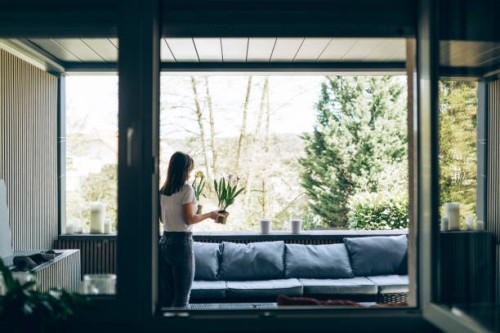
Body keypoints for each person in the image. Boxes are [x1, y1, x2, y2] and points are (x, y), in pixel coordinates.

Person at [158, 151, 220, 308]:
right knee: (182, 300)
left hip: (164, 242)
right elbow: (189, 220)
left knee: (168, 297)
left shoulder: (163, 191)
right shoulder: (187, 190)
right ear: (184, 170)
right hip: (181, 244)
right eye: (189, 170)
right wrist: (209, 215)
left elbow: (163, 219)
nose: (190, 174)